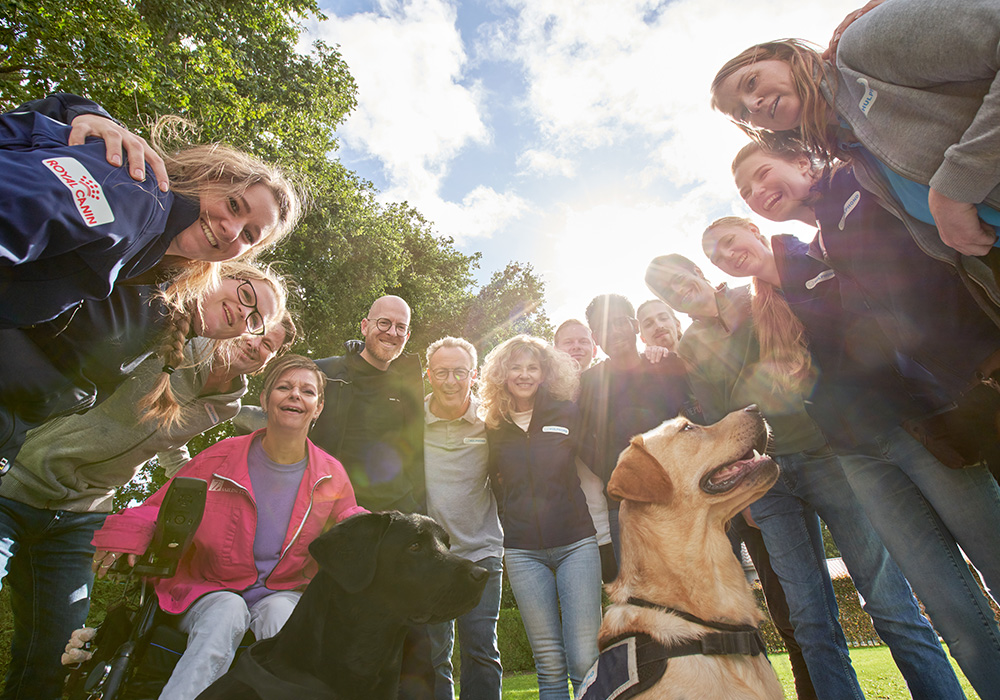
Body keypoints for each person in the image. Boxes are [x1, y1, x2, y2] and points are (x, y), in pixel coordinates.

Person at [721, 145, 1000, 695]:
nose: (757, 191)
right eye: (745, 189)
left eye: (761, 176)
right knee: (952, 611)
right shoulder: (764, 305)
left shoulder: (820, 248)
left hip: (918, 423)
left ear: (801, 165)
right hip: (856, 452)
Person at [646, 254, 965, 700]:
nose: (679, 291)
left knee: (890, 605)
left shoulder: (757, 295)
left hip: (828, 457)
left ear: (699, 273)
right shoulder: (691, 347)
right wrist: (745, 493)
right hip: (769, 479)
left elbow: (799, 362)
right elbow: (724, 420)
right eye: (666, 291)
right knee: (811, 621)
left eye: (680, 279)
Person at [0, 318, 292, 700]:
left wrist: (183, 482)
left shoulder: (225, 404)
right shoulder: (168, 345)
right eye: (256, 331)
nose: (257, 345)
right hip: (16, 481)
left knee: (52, 654)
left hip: (80, 511)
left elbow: (167, 433)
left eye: (269, 345)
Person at [90, 355, 364, 700]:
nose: (295, 395)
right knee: (227, 611)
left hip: (279, 591)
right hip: (208, 587)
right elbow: (160, 509)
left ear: (318, 406)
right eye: (284, 387)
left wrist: (382, 543)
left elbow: (351, 522)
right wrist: (126, 537)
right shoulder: (220, 458)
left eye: (307, 391)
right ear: (265, 400)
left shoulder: (331, 473)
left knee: (287, 619)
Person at [709, 0, 1000, 287]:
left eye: (750, 82)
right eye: (743, 113)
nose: (753, 104)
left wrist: (954, 187)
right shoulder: (855, 156)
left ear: (779, 56)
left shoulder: (858, 48)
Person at [0, 93, 302, 328]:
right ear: (208, 175)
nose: (231, 230)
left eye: (249, 235)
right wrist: (80, 110)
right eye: (234, 204)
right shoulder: (138, 194)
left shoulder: (149, 259)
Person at [0, 261, 288, 467]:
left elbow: (166, 443)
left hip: (36, 459)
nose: (242, 312)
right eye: (246, 296)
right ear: (222, 272)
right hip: (28, 468)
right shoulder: (147, 295)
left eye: (254, 321)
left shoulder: (170, 343)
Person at [479, 335, 599, 700]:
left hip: (576, 543)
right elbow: (490, 482)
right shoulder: (493, 426)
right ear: (502, 373)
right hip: (521, 551)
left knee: (583, 661)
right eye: (516, 367)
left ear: (545, 373)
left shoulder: (566, 412)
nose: (524, 374)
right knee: (547, 664)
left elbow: (600, 459)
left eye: (532, 367)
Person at [576, 294, 692, 560]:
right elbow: (580, 439)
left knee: (694, 584)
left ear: (634, 326)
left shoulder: (666, 365)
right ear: (596, 337)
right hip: (625, 503)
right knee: (640, 591)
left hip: (679, 495)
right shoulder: (590, 383)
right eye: (605, 327)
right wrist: (616, 469)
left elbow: (692, 419)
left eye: (620, 322)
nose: (615, 332)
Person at [423, 337, 504, 700]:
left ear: (473, 375)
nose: (451, 381)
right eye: (442, 372)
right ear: (429, 375)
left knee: (481, 652)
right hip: (431, 558)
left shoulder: (492, 423)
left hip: (482, 550)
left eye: (459, 372)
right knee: (434, 655)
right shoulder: (411, 420)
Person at [551, 320, 614, 583]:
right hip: (567, 525)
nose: (577, 346)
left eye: (583, 341)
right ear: (555, 349)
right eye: (568, 341)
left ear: (595, 348)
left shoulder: (610, 383)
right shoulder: (546, 394)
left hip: (612, 517)